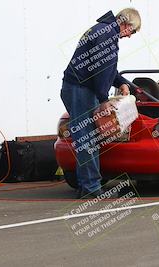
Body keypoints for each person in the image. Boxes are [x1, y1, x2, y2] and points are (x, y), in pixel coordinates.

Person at [60, 8, 141, 198]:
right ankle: (91, 188)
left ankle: (88, 185)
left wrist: (121, 82)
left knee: (87, 137)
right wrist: (104, 99)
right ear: (126, 25)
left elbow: (106, 67)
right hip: (80, 90)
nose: (129, 36)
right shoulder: (107, 35)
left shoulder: (102, 30)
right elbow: (102, 69)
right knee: (87, 139)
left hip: (77, 88)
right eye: (133, 31)